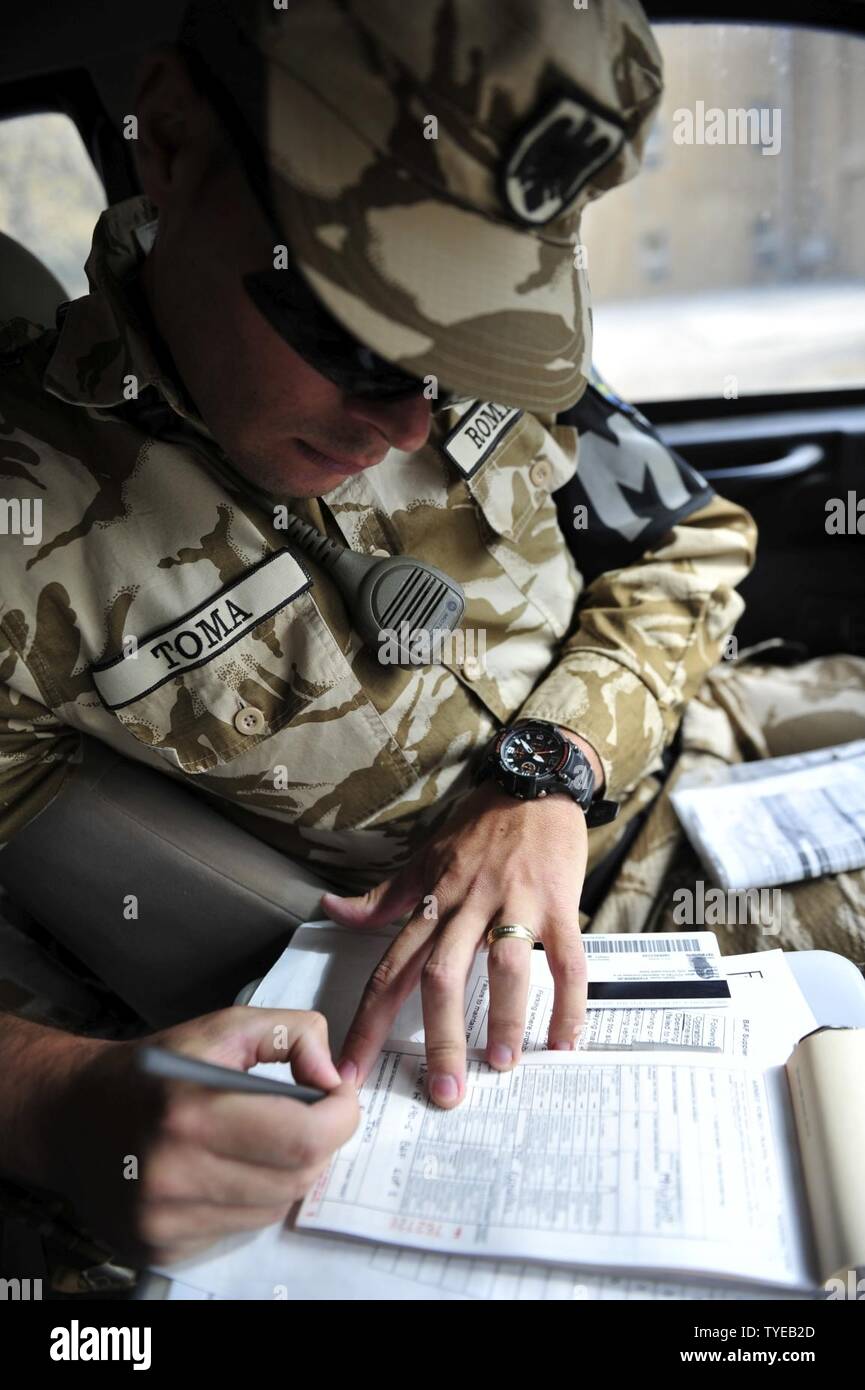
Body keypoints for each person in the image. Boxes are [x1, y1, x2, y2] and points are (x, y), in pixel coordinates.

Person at [0, 0, 756, 1266]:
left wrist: (546, 771)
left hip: (719, 776)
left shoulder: (479, 336)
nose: (408, 422)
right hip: (506, 1000)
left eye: (462, 355)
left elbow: (693, 540)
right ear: (174, 139)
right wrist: (59, 1103)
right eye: (351, 333)